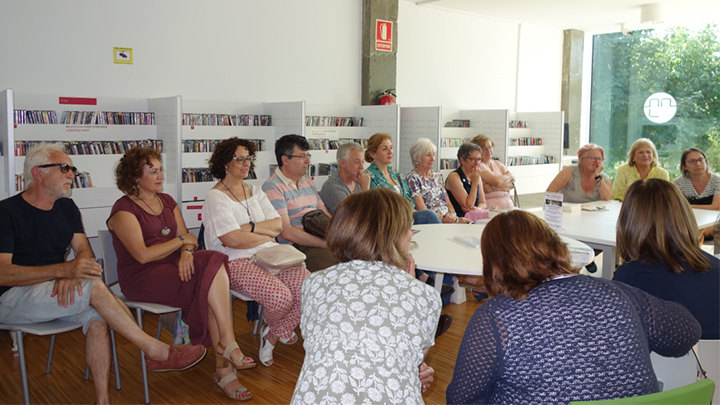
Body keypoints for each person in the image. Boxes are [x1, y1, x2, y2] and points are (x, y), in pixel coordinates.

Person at [0, 143, 207, 405]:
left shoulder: (67, 208)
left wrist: (71, 274)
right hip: (11, 298)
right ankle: (156, 350)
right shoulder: (6, 212)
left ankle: (102, 400)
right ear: (38, 173)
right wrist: (64, 270)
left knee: (98, 318)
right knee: (96, 287)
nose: (71, 174)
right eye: (64, 168)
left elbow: (84, 253)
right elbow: (3, 274)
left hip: (56, 289)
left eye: (71, 168)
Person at [446, 209, 701, 404]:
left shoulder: (495, 318)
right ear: (554, 245)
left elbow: (461, 399)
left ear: (493, 262)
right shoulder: (619, 292)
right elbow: (687, 332)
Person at [107, 147, 253, 401]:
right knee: (207, 286)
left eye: (160, 169)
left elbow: (189, 240)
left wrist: (186, 251)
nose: (160, 175)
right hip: (143, 276)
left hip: (176, 266)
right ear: (134, 178)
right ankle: (225, 367)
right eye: (152, 171)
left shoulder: (167, 201)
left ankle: (227, 348)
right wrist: (180, 243)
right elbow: (143, 255)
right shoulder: (123, 210)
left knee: (214, 259)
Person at [291, 188, 441, 404]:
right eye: (408, 229)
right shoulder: (426, 296)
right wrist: (409, 285)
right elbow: (414, 355)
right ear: (395, 236)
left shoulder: (313, 283)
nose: (410, 235)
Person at [202, 137, 310, 367]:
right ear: (224, 163)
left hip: (270, 256)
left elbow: (278, 226)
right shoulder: (216, 197)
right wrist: (261, 233)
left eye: (248, 158)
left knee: (308, 287)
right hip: (234, 261)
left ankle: (271, 334)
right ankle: (277, 330)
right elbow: (231, 239)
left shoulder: (256, 190)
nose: (245, 163)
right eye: (239, 159)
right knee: (281, 299)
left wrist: (249, 229)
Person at [613, 179, 719, 340]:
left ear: (628, 221)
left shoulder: (630, 278)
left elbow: (622, 337)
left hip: (668, 363)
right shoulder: (716, 266)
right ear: (685, 216)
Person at [262, 134, 338, 272]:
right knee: (338, 265)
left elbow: (324, 213)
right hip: (297, 245)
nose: (308, 160)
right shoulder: (272, 188)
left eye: (308, 155)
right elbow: (286, 232)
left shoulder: (306, 180)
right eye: (302, 156)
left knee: (362, 254)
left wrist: (341, 235)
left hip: (320, 234)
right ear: (285, 160)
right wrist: (326, 244)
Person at [363, 133, 441, 224]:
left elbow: (408, 198)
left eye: (391, 148)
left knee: (428, 216)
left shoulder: (396, 173)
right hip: (390, 219)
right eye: (385, 149)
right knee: (429, 216)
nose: (390, 152)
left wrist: (411, 211)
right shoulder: (369, 176)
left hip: (406, 214)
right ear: (373, 154)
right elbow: (380, 205)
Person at [405, 137, 472, 224]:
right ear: (416, 157)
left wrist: (452, 214)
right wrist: (448, 219)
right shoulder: (412, 178)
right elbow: (422, 209)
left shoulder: (438, 176)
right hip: (433, 221)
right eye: (428, 155)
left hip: (449, 219)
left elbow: (448, 203)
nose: (432, 159)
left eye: (433, 154)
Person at [546, 143, 612, 202]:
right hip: (568, 213)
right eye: (593, 158)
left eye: (600, 159)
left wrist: (597, 175)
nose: (597, 161)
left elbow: (606, 197)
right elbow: (549, 194)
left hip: (593, 215)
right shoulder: (569, 171)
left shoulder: (604, 179)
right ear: (581, 159)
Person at [319, 142, 370, 214]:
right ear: (342, 163)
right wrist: (365, 190)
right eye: (357, 162)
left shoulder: (358, 181)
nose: (362, 167)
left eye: (362, 162)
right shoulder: (332, 187)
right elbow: (352, 216)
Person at [471, 135, 514, 209]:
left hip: (508, 204)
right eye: (484, 149)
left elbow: (512, 184)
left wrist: (493, 188)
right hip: (492, 207)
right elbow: (496, 181)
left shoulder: (497, 163)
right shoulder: (479, 165)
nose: (488, 151)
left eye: (490, 147)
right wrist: (508, 176)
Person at [445, 142, 487, 217]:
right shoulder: (454, 177)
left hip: (475, 216)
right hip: (459, 219)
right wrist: (474, 184)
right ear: (462, 160)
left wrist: (478, 209)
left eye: (479, 159)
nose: (477, 163)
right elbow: (468, 205)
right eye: (473, 159)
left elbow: (483, 203)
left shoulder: (476, 176)